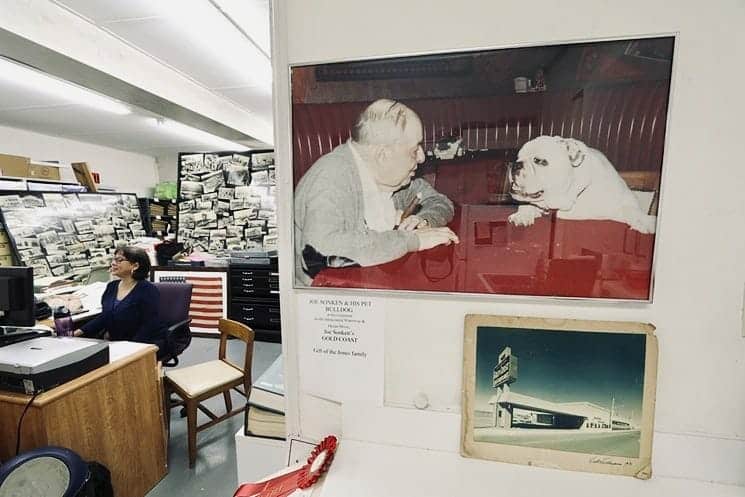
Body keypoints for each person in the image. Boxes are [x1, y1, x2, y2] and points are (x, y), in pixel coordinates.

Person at [294, 98, 459, 285]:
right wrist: (410, 240)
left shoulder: (391, 180)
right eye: (414, 150)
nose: (421, 157)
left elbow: (440, 202)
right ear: (382, 155)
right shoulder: (332, 177)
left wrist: (423, 220)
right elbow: (319, 250)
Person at [74, 246, 168, 357]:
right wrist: (78, 332)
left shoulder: (147, 290)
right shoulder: (111, 287)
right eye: (113, 260)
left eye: (119, 260)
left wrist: (130, 347)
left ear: (135, 266)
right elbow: (105, 317)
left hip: (144, 343)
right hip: (118, 343)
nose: (113, 263)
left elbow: (149, 325)